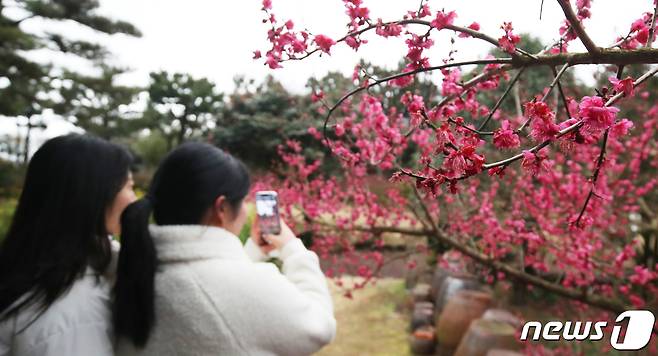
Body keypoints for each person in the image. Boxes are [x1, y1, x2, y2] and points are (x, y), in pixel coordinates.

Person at [113, 142, 336, 356]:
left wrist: (254, 252)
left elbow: (218, 295)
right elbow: (318, 327)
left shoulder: (132, 272)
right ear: (221, 207)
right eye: (243, 201)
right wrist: (293, 250)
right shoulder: (251, 284)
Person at [0, 134, 136, 356]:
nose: (135, 200)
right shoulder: (72, 313)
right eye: (129, 186)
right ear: (94, 195)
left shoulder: (32, 270)